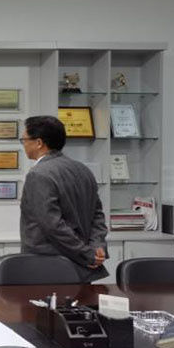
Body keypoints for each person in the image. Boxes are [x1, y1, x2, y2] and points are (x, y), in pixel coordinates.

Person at [19, 115, 108, 281]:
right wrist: (96, 247)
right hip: (83, 267)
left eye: (24, 140)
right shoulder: (82, 169)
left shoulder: (38, 174)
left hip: (48, 266)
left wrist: (86, 252)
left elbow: (52, 225)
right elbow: (97, 215)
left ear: (38, 143)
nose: (23, 145)